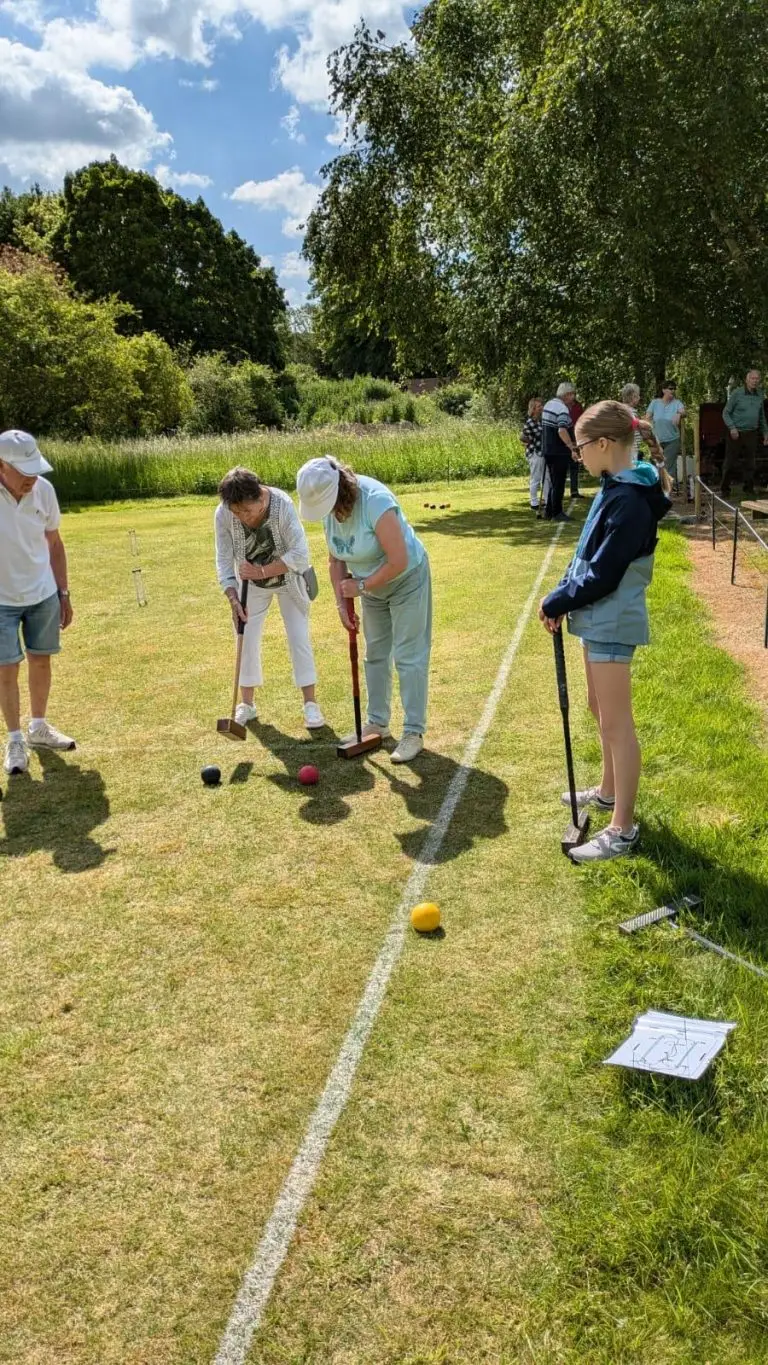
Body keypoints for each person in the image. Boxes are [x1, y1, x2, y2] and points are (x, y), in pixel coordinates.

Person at [539, 401, 670, 863]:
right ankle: (609, 793)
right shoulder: (613, 487)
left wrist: (558, 600)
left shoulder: (632, 501)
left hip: (612, 618)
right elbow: (585, 557)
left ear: (604, 444)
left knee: (617, 724)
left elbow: (606, 573)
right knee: (599, 708)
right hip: (595, 616)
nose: (578, 456)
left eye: (580, 448)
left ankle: (623, 829)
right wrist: (561, 595)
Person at [296, 456, 431, 765]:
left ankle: (413, 732)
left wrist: (360, 586)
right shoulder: (331, 512)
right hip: (369, 587)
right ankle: (378, 723)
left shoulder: (375, 501)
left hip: (407, 579)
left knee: (409, 655)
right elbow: (336, 560)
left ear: (340, 490)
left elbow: (398, 560)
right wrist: (342, 602)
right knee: (375, 654)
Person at [215, 467, 325, 730]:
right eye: (236, 511)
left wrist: (262, 571)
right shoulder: (223, 513)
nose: (241, 516)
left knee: (298, 636)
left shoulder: (282, 504)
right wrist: (232, 597)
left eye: (246, 510)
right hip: (249, 586)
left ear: (260, 498)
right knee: (246, 636)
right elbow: (223, 559)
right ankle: (247, 705)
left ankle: (311, 704)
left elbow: (300, 554)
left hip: (289, 580)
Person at [0, 430, 75, 776]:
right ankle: (15, 739)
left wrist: (63, 592)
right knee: (6, 670)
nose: (32, 478)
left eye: (35, 469)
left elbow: (55, 544)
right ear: (2, 466)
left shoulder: (43, 490)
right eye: (24, 471)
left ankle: (39, 727)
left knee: (40, 660)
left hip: (42, 593)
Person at [721, 368, 768, 498]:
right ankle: (724, 489)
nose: (755, 381)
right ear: (747, 380)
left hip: (751, 432)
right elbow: (726, 413)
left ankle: (748, 489)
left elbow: (761, 416)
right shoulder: (737, 393)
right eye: (752, 378)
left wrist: (765, 433)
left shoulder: (759, 394)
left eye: (757, 378)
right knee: (730, 462)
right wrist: (732, 427)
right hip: (736, 432)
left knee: (750, 463)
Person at [541, 382, 578, 522]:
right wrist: (571, 447)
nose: (574, 397)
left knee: (554, 481)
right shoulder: (562, 408)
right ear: (567, 394)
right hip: (558, 451)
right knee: (559, 482)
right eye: (572, 394)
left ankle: (549, 511)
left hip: (548, 449)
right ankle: (557, 513)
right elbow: (562, 429)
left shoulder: (549, 404)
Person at [646, 379, 685, 485]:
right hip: (657, 440)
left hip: (672, 440)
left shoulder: (677, 403)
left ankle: (667, 493)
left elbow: (684, 411)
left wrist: (679, 414)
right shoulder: (655, 403)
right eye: (670, 388)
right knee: (656, 464)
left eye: (674, 389)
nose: (673, 391)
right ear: (664, 390)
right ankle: (657, 490)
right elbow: (647, 417)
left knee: (667, 466)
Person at [521, 396, 546, 515]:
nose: (541, 407)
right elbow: (522, 437)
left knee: (545, 478)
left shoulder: (540, 421)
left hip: (542, 452)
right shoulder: (530, 422)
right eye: (539, 406)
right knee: (535, 478)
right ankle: (534, 502)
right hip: (534, 452)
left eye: (541, 405)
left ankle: (546, 499)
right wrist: (528, 441)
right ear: (533, 409)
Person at [565, 391, 585, 498]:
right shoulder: (562, 406)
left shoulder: (578, 406)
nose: (573, 396)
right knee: (562, 466)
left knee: (574, 466)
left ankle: (574, 491)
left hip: (575, 439)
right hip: (564, 440)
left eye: (574, 394)